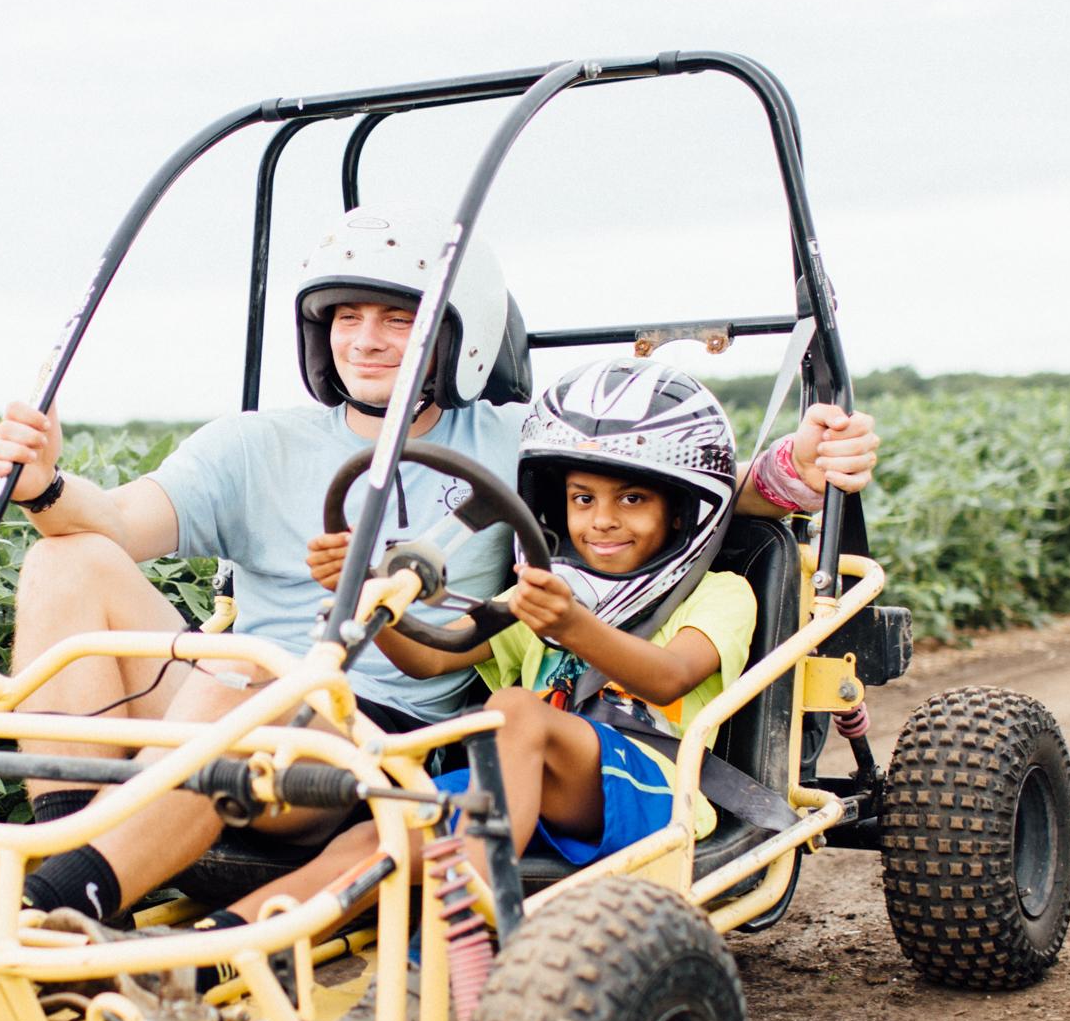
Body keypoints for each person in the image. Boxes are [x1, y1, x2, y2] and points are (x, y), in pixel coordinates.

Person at [0, 205, 878, 927]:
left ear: (459, 332)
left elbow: (660, 480)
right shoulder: (250, 445)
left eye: (396, 317)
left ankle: (73, 890)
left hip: (366, 739)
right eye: (346, 317)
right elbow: (112, 521)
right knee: (68, 562)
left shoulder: (515, 439)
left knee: (251, 682)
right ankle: (68, 859)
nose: (365, 339)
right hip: (223, 715)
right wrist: (44, 483)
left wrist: (800, 465)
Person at [211, 354, 765, 941]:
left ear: (682, 510)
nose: (602, 521)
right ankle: (215, 948)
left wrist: (572, 625)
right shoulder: (551, 592)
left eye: (631, 500)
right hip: (518, 784)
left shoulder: (720, 593)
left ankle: (456, 955)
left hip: (652, 790)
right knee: (384, 830)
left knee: (518, 710)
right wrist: (364, 590)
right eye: (583, 499)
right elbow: (434, 658)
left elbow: (672, 676)